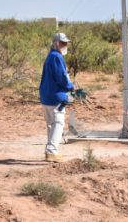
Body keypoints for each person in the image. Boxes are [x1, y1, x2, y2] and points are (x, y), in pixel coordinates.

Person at [39, 33, 75, 163]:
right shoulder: (56, 57)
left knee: (51, 124)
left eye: (65, 43)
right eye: (62, 43)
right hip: (55, 96)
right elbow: (61, 77)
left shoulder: (50, 56)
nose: (64, 45)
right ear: (55, 43)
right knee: (58, 123)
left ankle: (50, 152)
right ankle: (51, 151)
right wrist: (71, 86)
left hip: (46, 96)